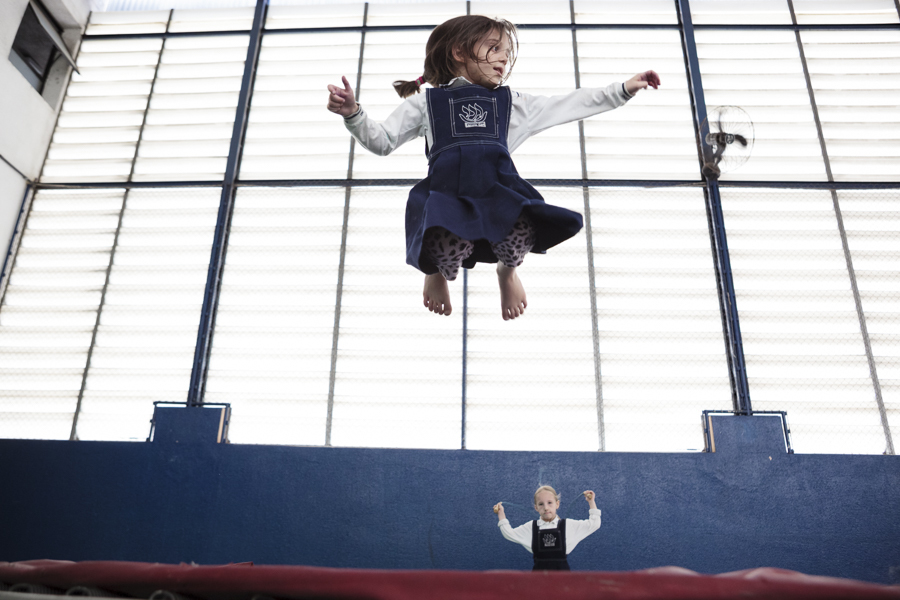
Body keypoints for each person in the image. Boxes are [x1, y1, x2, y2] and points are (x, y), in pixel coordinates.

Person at [327, 15, 660, 321]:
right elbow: (382, 141)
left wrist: (622, 89)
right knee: (441, 239)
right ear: (459, 52)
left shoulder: (512, 103)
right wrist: (353, 112)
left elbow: (569, 104)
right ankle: (435, 271)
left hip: (497, 196)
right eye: (493, 48)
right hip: (448, 198)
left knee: (520, 234)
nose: (503, 58)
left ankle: (507, 272)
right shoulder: (425, 103)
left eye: (505, 52)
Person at [493, 485, 600, 571]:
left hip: (563, 583)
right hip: (539, 583)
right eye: (541, 504)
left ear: (557, 504)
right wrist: (501, 515)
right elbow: (509, 533)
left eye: (550, 503)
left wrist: (591, 502)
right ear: (536, 508)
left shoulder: (568, 526)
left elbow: (594, 524)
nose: (546, 507)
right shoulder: (531, 527)